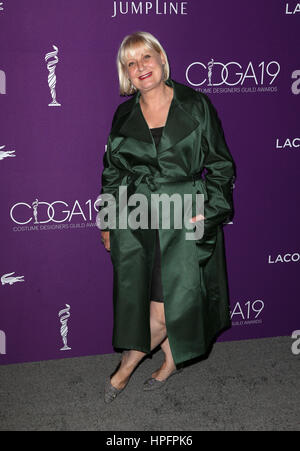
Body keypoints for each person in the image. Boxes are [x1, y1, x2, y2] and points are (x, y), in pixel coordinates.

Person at [97, 31, 236, 403]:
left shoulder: (196, 104)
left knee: (164, 305)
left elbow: (221, 166)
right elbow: (112, 172)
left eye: (146, 57)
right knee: (144, 299)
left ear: (161, 58)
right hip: (138, 217)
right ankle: (170, 361)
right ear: (126, 73)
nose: (141, 67)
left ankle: (122, 372)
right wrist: (108, 220)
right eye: (131, 62)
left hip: (183, 215)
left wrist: (209, 213)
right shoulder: (124, 113)